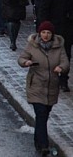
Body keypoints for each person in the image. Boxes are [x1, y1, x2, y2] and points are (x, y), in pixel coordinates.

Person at [19, 21, 70, 156]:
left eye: (48, 33)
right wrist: (26, 62)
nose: (45, 35)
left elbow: (65, 61)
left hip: (52, 86)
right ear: (39, 33)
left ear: (52, 34)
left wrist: (61, 67)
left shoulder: (58, 46)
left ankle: (38, 141)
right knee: (41, 113)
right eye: (43, 32)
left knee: (44, 116)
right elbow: (22, 58)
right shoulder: (32, 45)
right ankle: (44, 146)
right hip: (36, 85)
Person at [37, 0, 73, 91]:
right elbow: (44, 7)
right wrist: (44, 25)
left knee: (66, 54)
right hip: (53, 26)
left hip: (68, 27)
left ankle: (63, 80)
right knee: (51, 54)